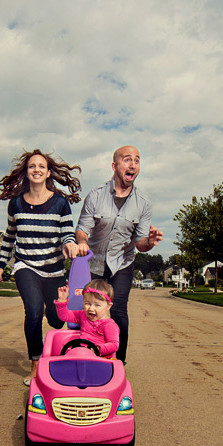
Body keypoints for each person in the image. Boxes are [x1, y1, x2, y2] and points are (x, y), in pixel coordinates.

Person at [0, 149, 82, 386]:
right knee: (33, 309)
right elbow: (10, 236)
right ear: (26, 172)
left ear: (48, 172)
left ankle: (46, 310)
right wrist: (2, 264)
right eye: (32, 166)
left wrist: (70, 244)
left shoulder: (60, 203)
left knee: (54, 320)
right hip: (26, 265)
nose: (36, 170)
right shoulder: (16, 204)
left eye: (41, 166)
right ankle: (36, 362)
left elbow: (67, 234)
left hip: (53, 269)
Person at [76, 145, 163, 363]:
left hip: (122, 263)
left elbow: (140, 244)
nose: (133, 164)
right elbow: (81, 229)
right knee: (87, 309)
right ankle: (84, 354)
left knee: (119, 311)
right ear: (115, 166)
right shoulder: (95, 196)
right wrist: (83, 243)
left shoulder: (143, 203)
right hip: (92, 261)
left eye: (137, 160)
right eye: (127, 159)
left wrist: (150, 242)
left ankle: (118, 362)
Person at [55, 279, 119, 358]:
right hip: (81, 354)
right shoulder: (83, 315)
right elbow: (64, 316)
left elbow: (114, 345)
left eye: (97, 305)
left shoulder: (109, 325)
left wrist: (98, 349)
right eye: (87, 303)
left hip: (100, 358)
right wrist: (62, 300)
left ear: (108, 306)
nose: (91, 309)